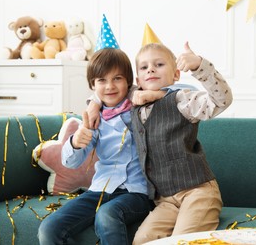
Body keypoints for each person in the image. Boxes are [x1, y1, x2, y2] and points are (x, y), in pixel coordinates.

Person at [37, 48, 154, 245]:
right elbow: (70, 162)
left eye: (117, 78)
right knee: (49, 228)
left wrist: (95, 101)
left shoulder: (142, 108)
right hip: (99, 190)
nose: (109, 86)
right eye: (102, 80)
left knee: (107, 215)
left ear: (128, 81)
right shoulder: (94, 118)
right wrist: (75, 143)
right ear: (93, 84)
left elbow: (171, 91)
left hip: (137, 193)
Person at [130, 42, 233, 244]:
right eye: (144, 67)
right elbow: (107, 87)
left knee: (181, 241)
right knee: (142, 239)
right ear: (137, 80)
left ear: (176, 75)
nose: (150, 69)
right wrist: (94, 104)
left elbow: (222, 100)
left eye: (159, 64)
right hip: (165, 200)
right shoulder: (133, 104)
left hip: (197, 192)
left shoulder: (182, 100)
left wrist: (199, 66)